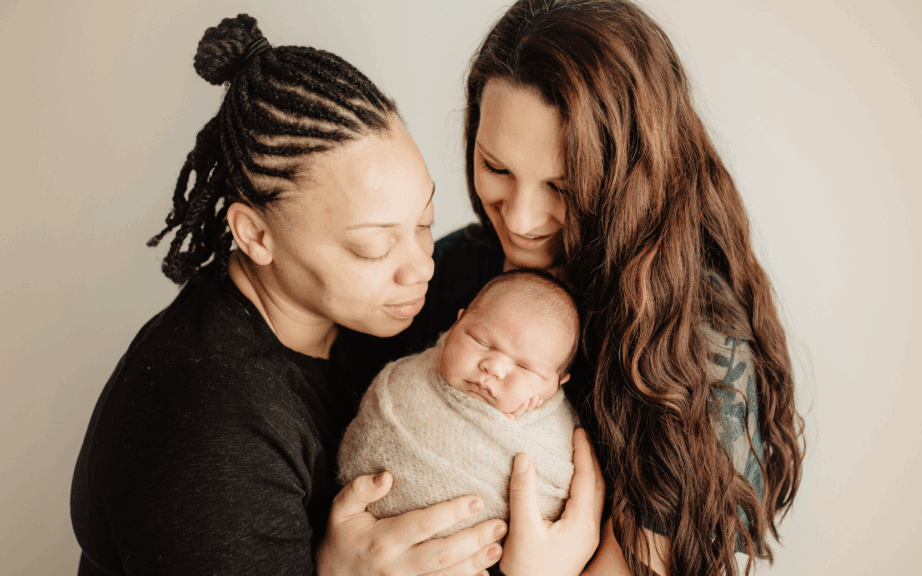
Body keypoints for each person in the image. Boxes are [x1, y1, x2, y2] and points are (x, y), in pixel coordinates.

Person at [71, 14, 600, 576]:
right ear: (256, 235)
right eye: (374, 248)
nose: (421, 266)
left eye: (423, 221)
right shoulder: (210, 436)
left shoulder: (395, 306)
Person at [407, 1, 806, 574]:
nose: (520, 219)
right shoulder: (453, 269)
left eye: (563, 187)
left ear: (634, 177)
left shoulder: (699, 352)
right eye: (496, 167)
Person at [338, 270, 580, 540]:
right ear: (456, 324)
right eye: (480, 341)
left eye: (524, 367)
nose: (494, 367)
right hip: (367, 536)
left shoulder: (556, 432)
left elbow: (550, 497)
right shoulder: (407, 381)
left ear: (558, 383)